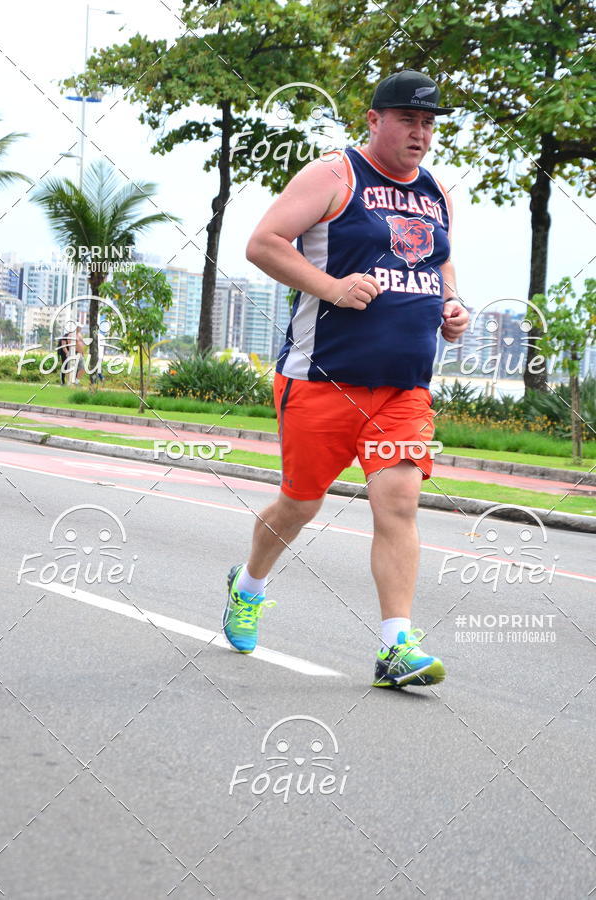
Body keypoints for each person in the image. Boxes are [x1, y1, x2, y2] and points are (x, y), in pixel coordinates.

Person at [223, 70, 470, 688]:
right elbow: (263, 243)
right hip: (321, 380)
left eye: (429, 122)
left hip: (403, 388)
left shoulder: (434, 188)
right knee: (300, 504)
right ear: (373, 119)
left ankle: (396, 648)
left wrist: (453, 307)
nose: (421, 133)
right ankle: (248, 584)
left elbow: (438, 258)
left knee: (399, 502)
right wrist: (333, 288)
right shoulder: (335, 176)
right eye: (408, 120)